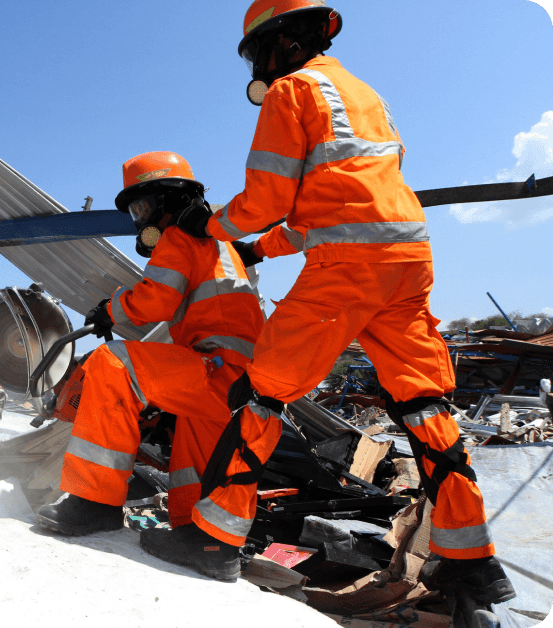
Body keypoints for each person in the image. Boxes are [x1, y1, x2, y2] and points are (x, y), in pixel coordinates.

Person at [162, 0, 516, 601]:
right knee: (421, 401)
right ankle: (471, 560)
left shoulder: (291, 91)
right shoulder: (363, 94)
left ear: (279, 44)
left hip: (349, 267)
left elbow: (267, 197)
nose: (260, 70)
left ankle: (214, 540)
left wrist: (213, 227)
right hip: (407, 259)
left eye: (257, 56)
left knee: (264, 392)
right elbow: (327, 207)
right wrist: (261, 252)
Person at [33, 152, 265, 582]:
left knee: (113, 364)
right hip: (243, 384)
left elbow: (154, 301)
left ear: (168, 200)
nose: (140, 221)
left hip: (215, 365)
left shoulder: (180, 236)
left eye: (141, 208)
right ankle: (207, 544)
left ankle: (95, 503)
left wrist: (109, 309)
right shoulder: (225, 247)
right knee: (193, 465)